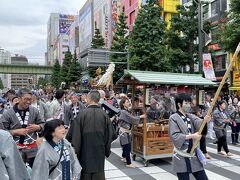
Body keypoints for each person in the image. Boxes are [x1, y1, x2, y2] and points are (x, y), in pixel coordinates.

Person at [67, 90, 117, 180]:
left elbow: (73, 136)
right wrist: (104, 145)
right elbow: (112, 134)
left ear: (89, 99)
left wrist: (76, 151)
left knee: (85, 174)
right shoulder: (104, 115)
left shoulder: (81, 115)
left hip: (85, 152)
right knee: (99, 174)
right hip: (99, 151)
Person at [169, 93, 211, 180]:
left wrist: (205, 120)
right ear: (179, 104)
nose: (188, 105)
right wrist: (192, 136)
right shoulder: (173, 118)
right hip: (181, 156)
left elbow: (199, 123)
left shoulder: (190, 116)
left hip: (193, 155)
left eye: (189, 103)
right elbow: (175, 136)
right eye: (186, 103)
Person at [0, 88, 45, 167]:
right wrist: (15, 132)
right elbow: (1, 132)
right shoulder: (8, 114)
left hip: (33, 151)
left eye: (30, 99)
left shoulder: (34, 111)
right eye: (26, 99)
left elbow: (44, 124)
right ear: (19, 98)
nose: (28, 102)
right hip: (15, 151)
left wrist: (38, 127)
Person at [118, 97, 145, 168]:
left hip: (125, 131)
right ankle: (129, 163)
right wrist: (141, 116)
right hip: (124, 132)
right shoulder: (124, 112)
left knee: (125, 146)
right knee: (127, 147)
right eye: (127, 102)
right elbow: (132, 118)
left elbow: (130, 118)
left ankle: (124, 157)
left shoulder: (125, 111)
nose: (129, 103)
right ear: (123, 104)